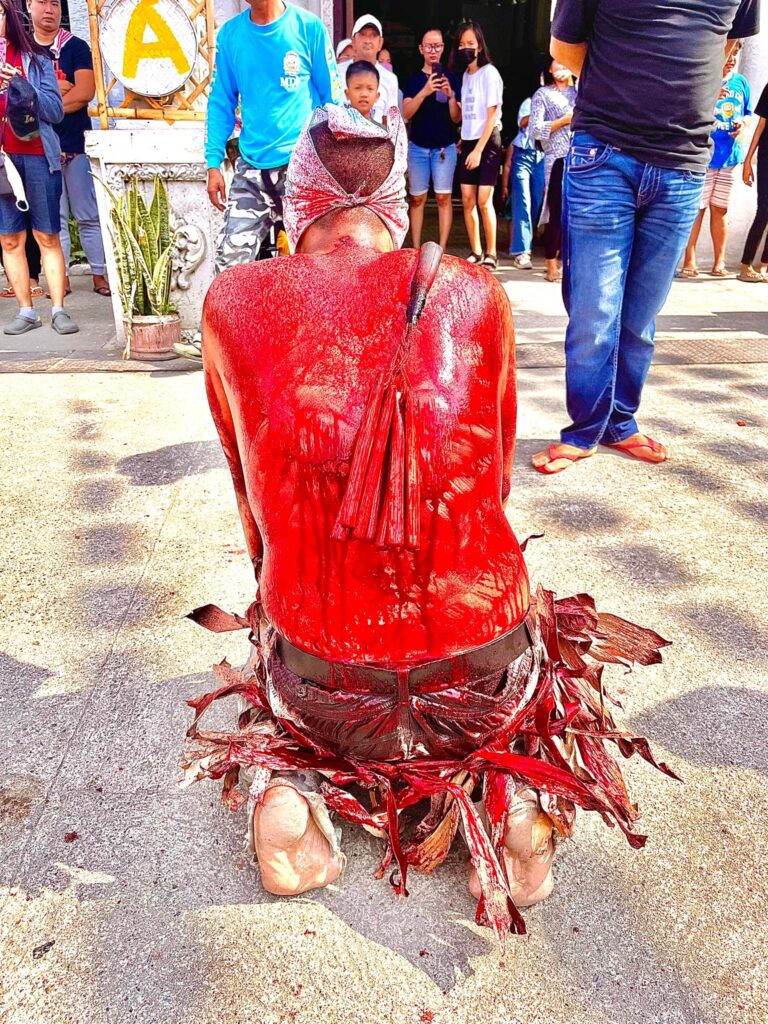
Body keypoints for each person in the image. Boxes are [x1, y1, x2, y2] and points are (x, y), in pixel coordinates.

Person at [182, 102, 674, 940]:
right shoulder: (473, 290)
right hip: (481, 677)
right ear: (399, 210)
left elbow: (252, 512)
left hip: (326, 688)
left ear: (295, 211)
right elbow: (493, 482)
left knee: (281, 662)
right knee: (520, 653)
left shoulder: (234, 300)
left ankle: (290, 789)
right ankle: (513, 798)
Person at [532, 0, 760, 475]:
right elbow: (564, 46)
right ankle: (584, 430)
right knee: (596, 311)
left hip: (683, 162)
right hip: (605, 153)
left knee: (641, 316)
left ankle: (619, 423)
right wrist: (628, 87)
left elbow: (728, 41)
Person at [0, 0, 77, 336]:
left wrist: (23, 87)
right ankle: (26, 310)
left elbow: (55, 112)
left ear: (10, 18)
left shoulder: (37, 59)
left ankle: (58, 309)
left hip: (37, 155)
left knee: (47, 235)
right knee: (9, 240)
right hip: (3, 162)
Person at [27, 0, 110, 298]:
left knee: (88, 214)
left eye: (54, 3)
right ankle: (59, 278)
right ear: (29, 5)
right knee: (54, 219)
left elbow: (85, 92)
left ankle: (100, 273)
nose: (49, 9)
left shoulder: (75, 46)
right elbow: (17, 96)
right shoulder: (23, 49)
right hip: (39, 147)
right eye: (42, 2)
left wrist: (41, 104)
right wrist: (61, 90)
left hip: (76, 144)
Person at [681, 44, 751, 279]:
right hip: (703, 156)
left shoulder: (740, 82)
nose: (731, 58)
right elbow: (687, 109)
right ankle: (689, 260)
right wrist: (710, 98)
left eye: (735, 54)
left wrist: (742, 124)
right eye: (728, 53)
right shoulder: (705, 77)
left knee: (720, 209)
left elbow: (747, 113)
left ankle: (719, 262)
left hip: (729, 157)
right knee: (697, 209)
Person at [402, 28, 460, 249]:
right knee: (417, 199)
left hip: (444, 148)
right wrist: (425, 91)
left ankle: (441, 248)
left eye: (437, 46)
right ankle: (416, 248)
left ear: (443, 48)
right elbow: (406, 113)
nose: (433, 51)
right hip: (418, 147)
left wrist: (451, 96)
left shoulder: (451, 78)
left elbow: (456, 118)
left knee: (444, 198)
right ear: (421, 49)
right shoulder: (414, 80)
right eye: (429, 46)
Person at [453, 20, 503, 269]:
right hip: (469, 140)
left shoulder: (490, 73)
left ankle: (492, 253)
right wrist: (464, 139)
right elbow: (468, 114)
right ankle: (476, 251)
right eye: (462, 44)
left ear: (480, 46)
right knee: (467, 198)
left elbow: (491, 116)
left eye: (470, 43)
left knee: (484, 199)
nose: (466, 48)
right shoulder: (465, 76)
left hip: (487, 141)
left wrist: (478, 150)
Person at [529, 60, 576, 283]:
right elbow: (535, 130)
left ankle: (571, 262)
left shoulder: (581, 93)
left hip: (581, 158)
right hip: (556, 157)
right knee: (556, 210)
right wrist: (564, 121)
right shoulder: (543, 94)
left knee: (576, 212)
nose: (562, 67)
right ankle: (550, 261)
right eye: (557, 63)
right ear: (549, 68)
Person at [501, 95, 544, 270]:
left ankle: (528, 244)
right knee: (523, 202)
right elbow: (523, 122)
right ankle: (522, 252)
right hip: (523, 155)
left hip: (543, 156)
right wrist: (542, 109)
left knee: (536, 204)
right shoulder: (529, 102)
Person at [337, 15, 398, 127]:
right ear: (353, 41)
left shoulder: (390, 79)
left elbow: (390, 122)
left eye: (373, 35)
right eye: (362, 34)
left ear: (380, 43)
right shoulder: (336, 73)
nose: (368, 41)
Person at [739, 80, 768, 282]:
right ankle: (745, 265)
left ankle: (764, 264)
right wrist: (748, 161)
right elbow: (760, 126)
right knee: (763, 210)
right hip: (766, 158)